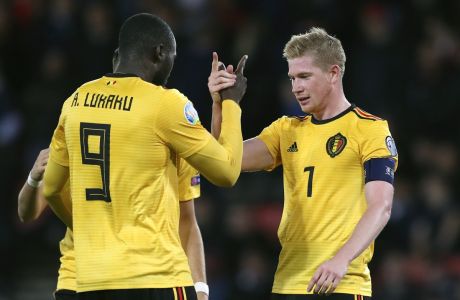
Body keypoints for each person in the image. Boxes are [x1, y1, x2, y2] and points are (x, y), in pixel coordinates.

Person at [42, 13, 247, 300]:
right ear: (160, 53)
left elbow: (50, 188)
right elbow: (227, 172)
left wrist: (86, 227)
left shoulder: (75, 101)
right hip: (155, 277)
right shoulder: (164, 104)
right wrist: (232, 103)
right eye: (172, 56)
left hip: (91, 280)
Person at [208, 27, 398, 299]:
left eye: (305, 77)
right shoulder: (286, 130)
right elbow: (223, 160)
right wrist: (222, 104)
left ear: (333, 73)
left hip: (340, 284)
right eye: (292, 78)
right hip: (287, 284)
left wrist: (341, 261)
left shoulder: (370, 129)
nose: (296, 87)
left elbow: (382, 205)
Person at [18, 149, 210, 300]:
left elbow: (187, 222)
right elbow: (26, 213)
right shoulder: (74, 137)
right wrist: (33, 178)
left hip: (143, 276)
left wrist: (201, 289)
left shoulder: (169, 137)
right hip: (80, 277)